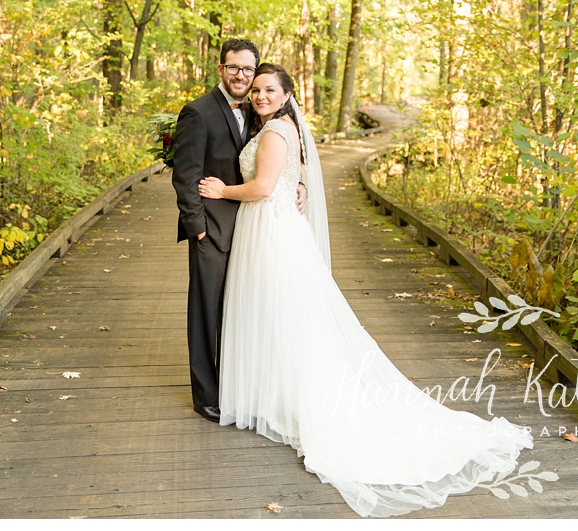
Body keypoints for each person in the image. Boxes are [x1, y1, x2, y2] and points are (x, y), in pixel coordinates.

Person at [198, 64, 531, 517]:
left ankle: (292, 400)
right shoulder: (282, 127)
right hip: (272, 230)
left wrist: (220, 190)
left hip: (270, 233)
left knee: (281, 314)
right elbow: (285, 183)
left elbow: (260, 187)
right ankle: (276, 394)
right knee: (281, 315)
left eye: (269, 89)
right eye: (256, 89)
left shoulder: (276, 132)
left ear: (286, 93)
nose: (259, 95)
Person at [169, 39, 303, 422]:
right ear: (220, 68)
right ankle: (206, 395)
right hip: (212, 231)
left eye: (248, 69)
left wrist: (298, 185)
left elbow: (275, 165)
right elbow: (186, 176)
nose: (242, 76)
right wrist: (198, 231)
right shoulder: (198, 112)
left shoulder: (262, 114)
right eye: (234, 68)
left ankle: (236, 386)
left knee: (241, 313)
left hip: (252, 233)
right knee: (206, 315)